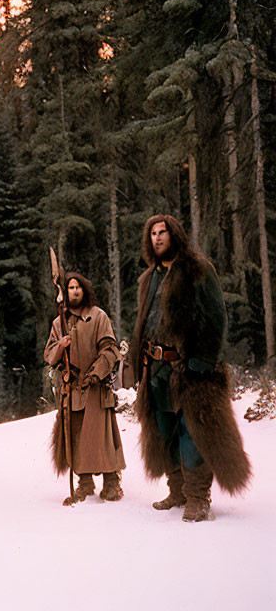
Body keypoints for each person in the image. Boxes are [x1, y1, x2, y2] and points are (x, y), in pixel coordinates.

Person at [126, 214, 251, 521]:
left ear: (175, 235)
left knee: (191, 431)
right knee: (163, 431)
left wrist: (200, 362)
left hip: (189, 369)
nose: (157, 238)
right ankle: (178, 490)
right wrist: (137, 363)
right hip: (154, 369)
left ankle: (198, 497)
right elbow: (144, 322)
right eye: (152, 233)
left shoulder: (197, 269)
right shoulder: (149, 278)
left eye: (163, 232)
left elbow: (215, 317)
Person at [44, 273, 125, 505]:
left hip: (96, 387)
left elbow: (110, 349)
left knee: (102, 436)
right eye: (71, 287)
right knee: (76, 435)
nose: (75, 291)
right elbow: (49, 356)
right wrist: (61, 346)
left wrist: (96, 372)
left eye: (79, 287)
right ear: (65, 292)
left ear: (85, 289)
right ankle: (85, 482)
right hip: (72, 389)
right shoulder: (59, 323)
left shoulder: (98, 316)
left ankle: (112, 483)